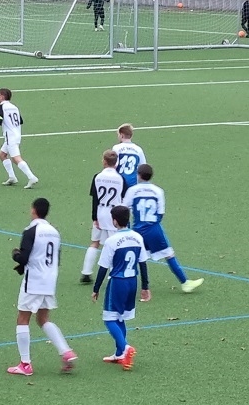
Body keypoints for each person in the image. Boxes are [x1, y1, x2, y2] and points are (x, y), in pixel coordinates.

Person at [7, 197, 78, 376]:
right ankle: (66, 351)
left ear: (33, 210)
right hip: (50, 280)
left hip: (34, 281)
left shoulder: (31, 230)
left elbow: (24, 257)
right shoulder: (55, 232)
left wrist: (15, 255)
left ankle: (25, 364)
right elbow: (55, 258)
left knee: (23, 318)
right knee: (43, 318)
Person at [125, 164, 203, 299]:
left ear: (139, 175)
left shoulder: (132, 190)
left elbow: (124, 209)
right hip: (153, 229)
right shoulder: (158, 191)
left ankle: (123, 283)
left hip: (137, 230)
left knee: (134, 257)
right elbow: (160, 213)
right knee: (169, 254)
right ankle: (185, 282)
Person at [91, 205, 149, 370]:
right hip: (132, 281)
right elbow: (143, 263)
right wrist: (145, 286)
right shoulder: (137, 237)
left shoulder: (112, 241)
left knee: (109, 319)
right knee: (120, 317)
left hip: (118, 282)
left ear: (114, 221)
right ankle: (119, 354)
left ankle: (125, 348)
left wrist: (96, 288)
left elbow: (103, 267)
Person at [80, 150, 126, 283]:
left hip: (100, 213)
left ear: (104, 161)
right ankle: (113, 275)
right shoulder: (120, 179)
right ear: (116, 163)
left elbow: (95, 199)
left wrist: (95, 218)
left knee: (94, 242)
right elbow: (124, 198)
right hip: (114, 216)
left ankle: (86, 272)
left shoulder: (97, 177)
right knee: (115, 246)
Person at [0, 88, 39, 189]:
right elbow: (20, 121)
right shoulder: (14, 107)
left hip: (10, 136)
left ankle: (31, 177)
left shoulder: (0, 107)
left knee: (16, 158)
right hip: (17, 134)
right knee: (2, 154)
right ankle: (12, 177)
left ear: (2, 96)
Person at [112, 123, 146, 188]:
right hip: (133, 184)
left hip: (119, 183)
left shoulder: (116, 148)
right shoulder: (138, 149)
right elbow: (143, 167)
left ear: (121, 135)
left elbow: (114, 165)